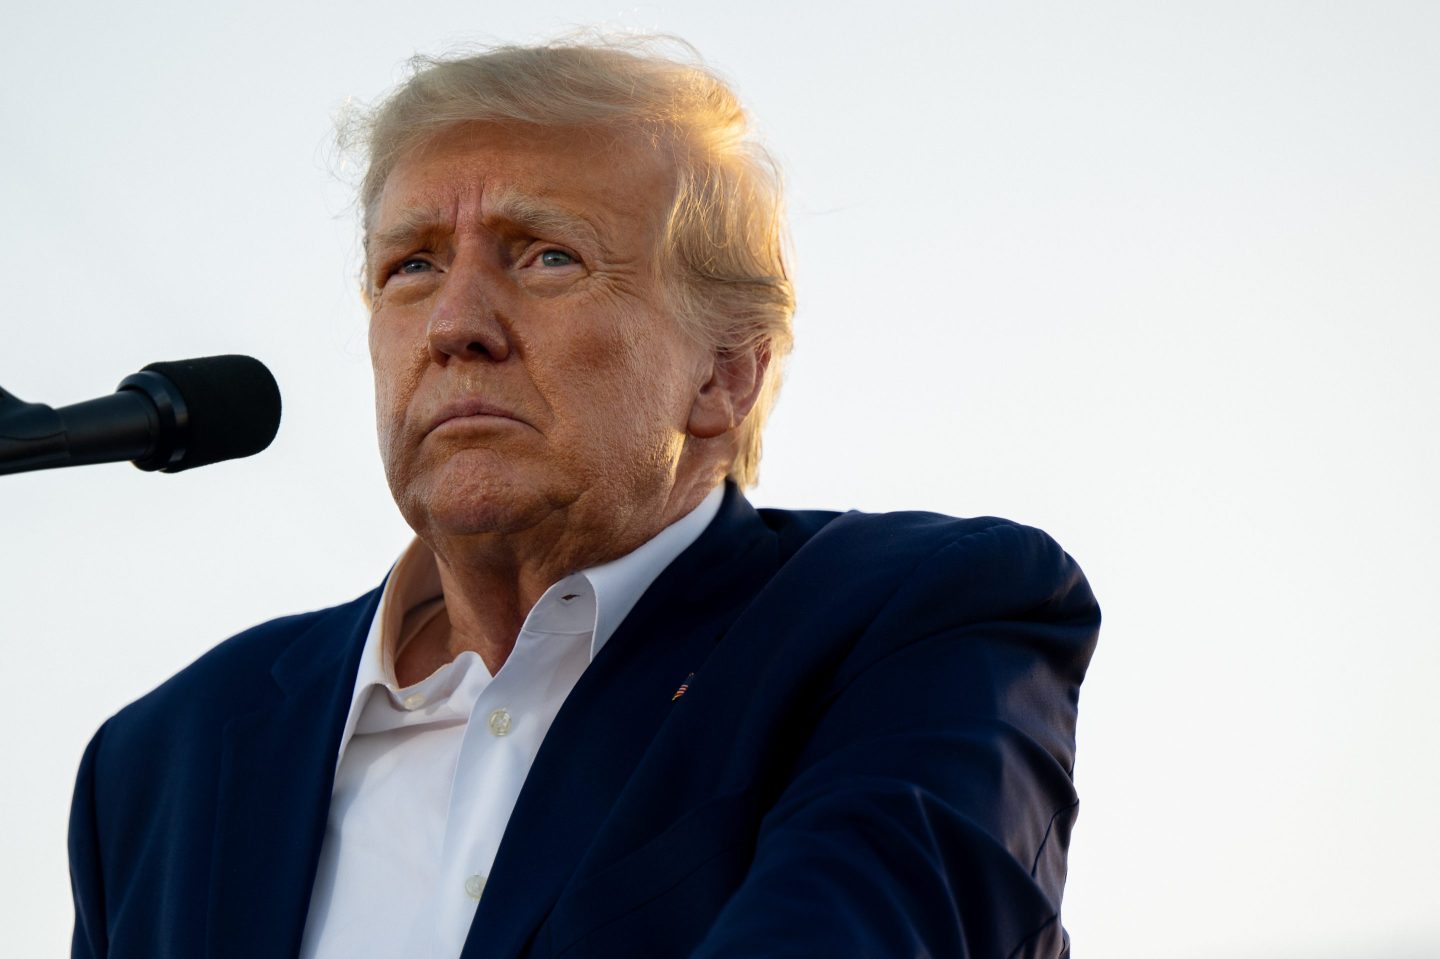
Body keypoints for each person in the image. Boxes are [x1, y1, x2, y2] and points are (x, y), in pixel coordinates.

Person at [67, 37, 1100, 959]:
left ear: (725, 372)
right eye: (412, 265)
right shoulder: (163, 758)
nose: (455, 324)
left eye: (547, 255)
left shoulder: (916, 621)